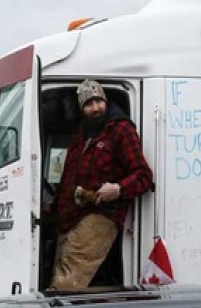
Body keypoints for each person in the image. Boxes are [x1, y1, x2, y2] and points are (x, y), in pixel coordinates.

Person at [50, 80, 153, 289]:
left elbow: (144, 176)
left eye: (98, 101)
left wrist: (118, 189)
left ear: (105, 101)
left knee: (67, 285)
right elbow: (68, 179)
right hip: (69, 217)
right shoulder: (81, 134)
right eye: (89, 104)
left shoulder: (121, 130)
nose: (95, 108)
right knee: (59, 277)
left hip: (100, 216)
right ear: (82, 108)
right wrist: (51, 208)